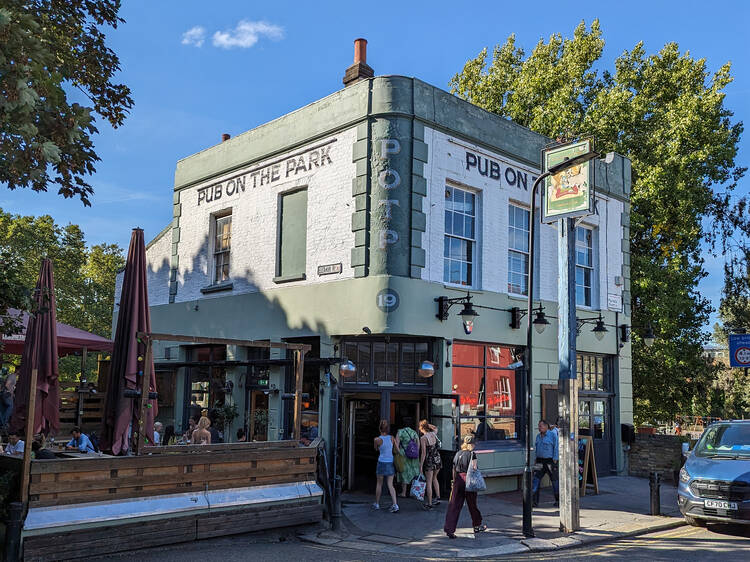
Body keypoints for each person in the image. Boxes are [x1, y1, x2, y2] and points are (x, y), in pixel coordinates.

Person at [444, 435, 487, 538]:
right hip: (468, 481)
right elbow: (474, 468)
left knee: (454, 505)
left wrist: (454, 481)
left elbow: (453, 468)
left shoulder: (458, 453)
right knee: (472, 505)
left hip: (458, 480)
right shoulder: (472, 454)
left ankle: (449, 529)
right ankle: (477, 525)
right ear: (471, 444)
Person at [372, 419, 399, 513]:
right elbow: (397, 450)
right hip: (390, 461)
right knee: (390, 484)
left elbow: (376, 449)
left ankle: (377, 503)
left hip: (381, 461)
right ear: (388, 429)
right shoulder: (392, 438)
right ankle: (395, 504)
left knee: (379, 483)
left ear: (379, 429)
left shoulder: (377, 439)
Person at [532, 420, 559, 507]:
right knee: (536, 480)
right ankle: (534, 501)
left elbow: (556, 447)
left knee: (554, 481)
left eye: (541, 426)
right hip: (540, 461)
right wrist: (535, 458)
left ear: (546, 427)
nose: (539, 428)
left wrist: (555, 459)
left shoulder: (552, 435)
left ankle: (558, 500)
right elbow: (536, 448)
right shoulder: (538, 436)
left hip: (550, 460)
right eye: (539, 426)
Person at [419, 419, 442, 509]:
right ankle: (438, 497)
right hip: (437, 458)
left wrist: (420, 465)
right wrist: (428, 425)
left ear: (421, 428)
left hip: (429, 460)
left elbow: (423, 453)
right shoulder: (433, 434)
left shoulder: (423, 438)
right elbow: (435, 427)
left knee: (428, 481)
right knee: (435, 478)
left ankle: (429, 503)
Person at [396, 425, 420, 498]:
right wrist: (416, 452)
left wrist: (398, 453)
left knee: (404, 472)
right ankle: (413, 491)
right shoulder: (414, 432)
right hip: (413, 454)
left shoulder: (400, 432)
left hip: (404, 454)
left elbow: (397, 443)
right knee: (413, 471)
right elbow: (418, 443)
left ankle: (403, 492)